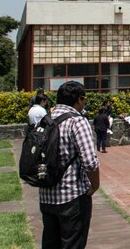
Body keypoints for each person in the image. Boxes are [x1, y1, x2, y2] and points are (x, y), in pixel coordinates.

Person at [38, 80, 100, 249]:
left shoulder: (46, 119)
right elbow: (90, 162)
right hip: (72, 197)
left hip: (46, 195)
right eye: (84, 99)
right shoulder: (77, 121)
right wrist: (95, 185)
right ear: (79, 99)